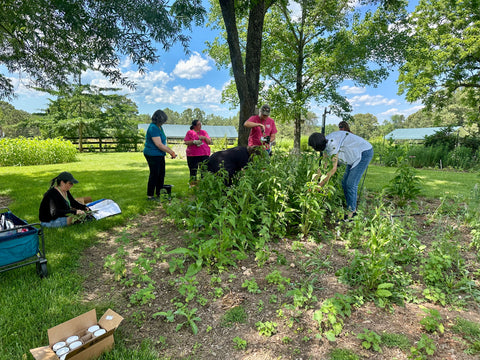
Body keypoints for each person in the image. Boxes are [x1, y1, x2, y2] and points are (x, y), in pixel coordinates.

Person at [308, 131, 373, 219]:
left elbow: (333, 169)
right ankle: (350, 208)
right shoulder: (325, 142)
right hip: (353, 156)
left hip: (363, 153)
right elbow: (324, 166)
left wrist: (319, 186)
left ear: (317, 146)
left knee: (351, 183)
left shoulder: (332, 144)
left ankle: (352, 214)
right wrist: (313, 182)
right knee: (344, 182)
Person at [143, 109, 177, 201]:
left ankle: (159, 193)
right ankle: (150, 196)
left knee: (161, 174)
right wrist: (171, 152)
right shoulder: (153, 128)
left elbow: (162, 142)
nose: (163, 122)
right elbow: (159, 144)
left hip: (159, 154)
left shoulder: (159, 127)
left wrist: (168, 151)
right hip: (152, 154)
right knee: (154, 174)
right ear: (158, 119)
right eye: (162, 121)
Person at [184, 119, 212, 184]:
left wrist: (204, 138)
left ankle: (203, 186)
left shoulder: (204, 132)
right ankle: (193, 186)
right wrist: (194, 142)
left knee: (204, 171)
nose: (200, 125)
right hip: (193, 155)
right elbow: (186, 142)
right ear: (194, 126)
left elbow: (209, 142)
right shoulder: (190, 132)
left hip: (204, 154)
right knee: (193, 171)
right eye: (199, 124)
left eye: (200, 124)